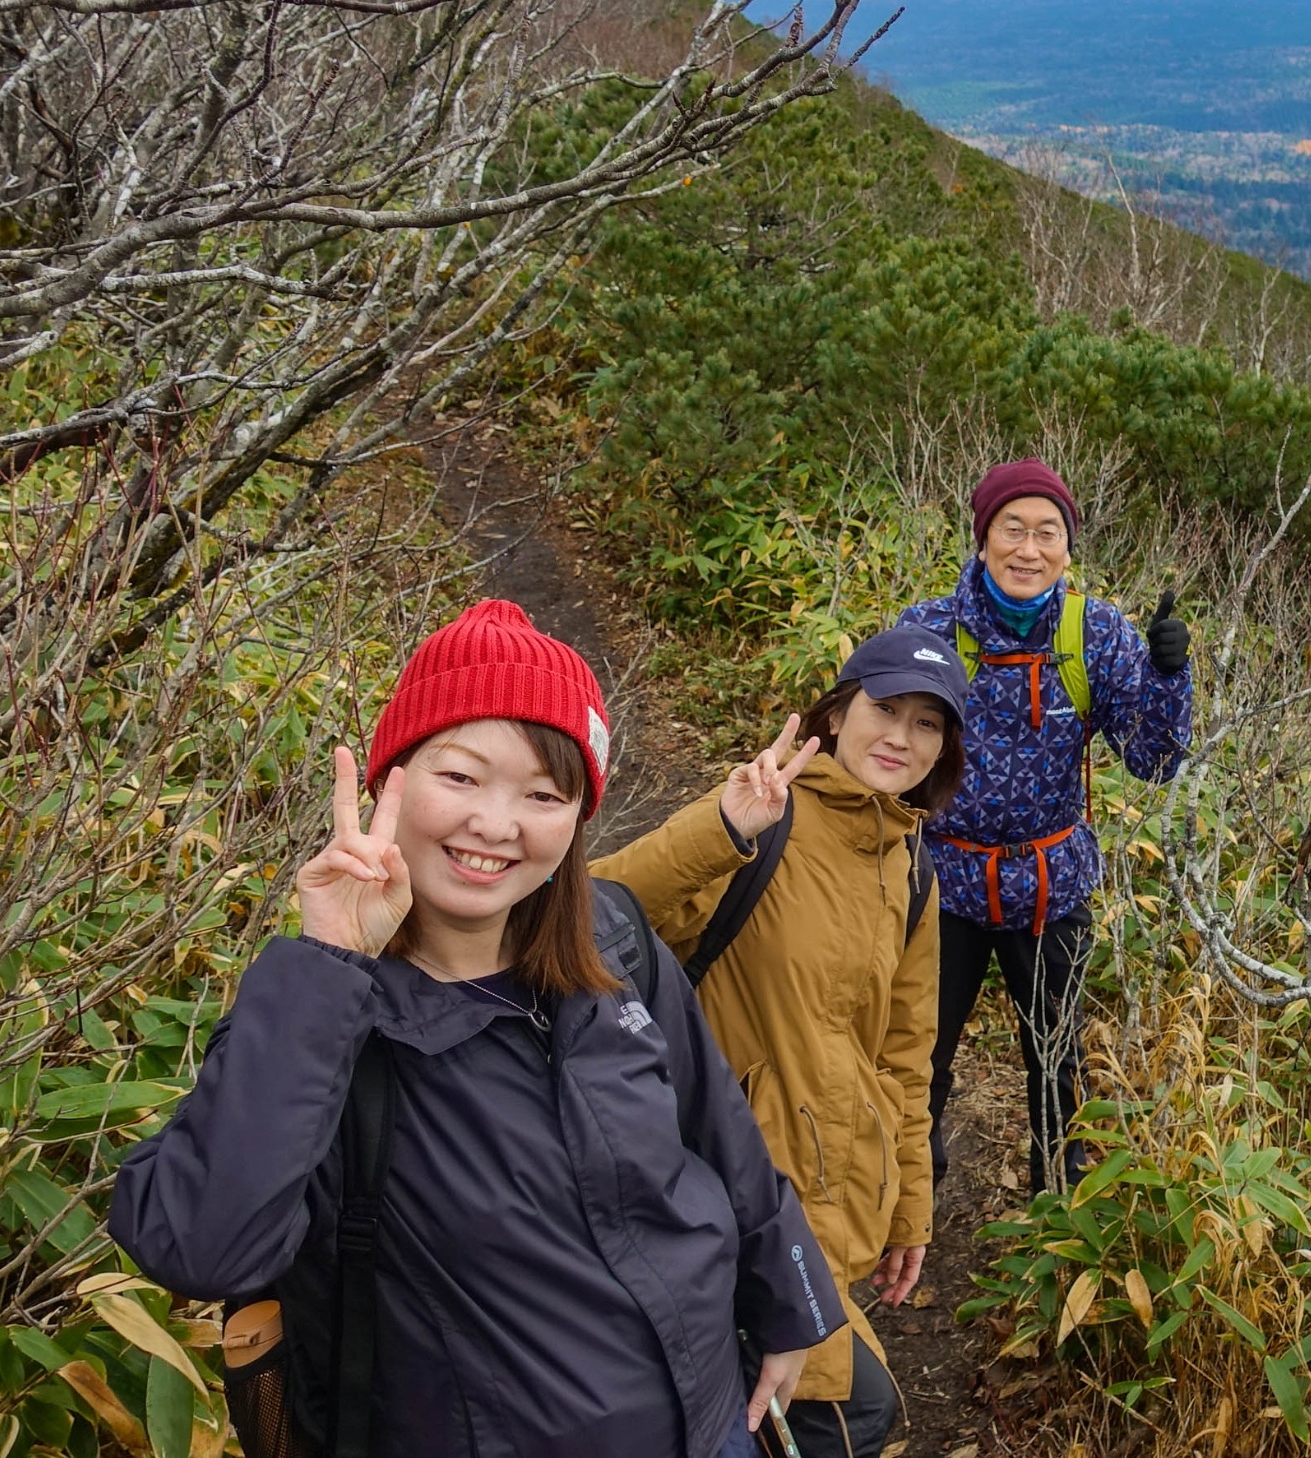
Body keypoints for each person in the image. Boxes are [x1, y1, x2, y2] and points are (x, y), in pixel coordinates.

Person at [111, 599, 836, 1458]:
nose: (496, 825)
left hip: (711, 1418)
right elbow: (201, 1247)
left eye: (542, 793)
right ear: (390, 780)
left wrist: (790, 1304)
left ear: (575, 820)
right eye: (460, 777)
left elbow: (718, 1133)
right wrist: (328, 961)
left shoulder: (614, 939)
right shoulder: (326, 1016)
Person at [592, 625, 968, 1458]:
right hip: (725, 1198)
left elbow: (906, 1058)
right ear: (836, 714)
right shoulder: (762, 819)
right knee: (840, 1417)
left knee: (834, 1413)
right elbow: (594, 913)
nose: (902, 737)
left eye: (928, 724)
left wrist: (912, 1209)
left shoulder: (911, 868)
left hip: (830, 1204)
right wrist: (724, 828)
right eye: (887, 708)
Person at [898, 458, 1193, 1194]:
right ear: (982, 536)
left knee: (1054, 1058)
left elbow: (1154, 761)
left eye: (1047, 533)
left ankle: (1057, 1212)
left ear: (1067, 548)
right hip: (939, 883)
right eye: (1012, 529)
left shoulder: (1093, 632)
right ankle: (904, 1199)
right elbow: (878, 750)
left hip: (1049, 888)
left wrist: (1166, 679)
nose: (1027, 549)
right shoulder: (930, 628)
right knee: (915, 1052)